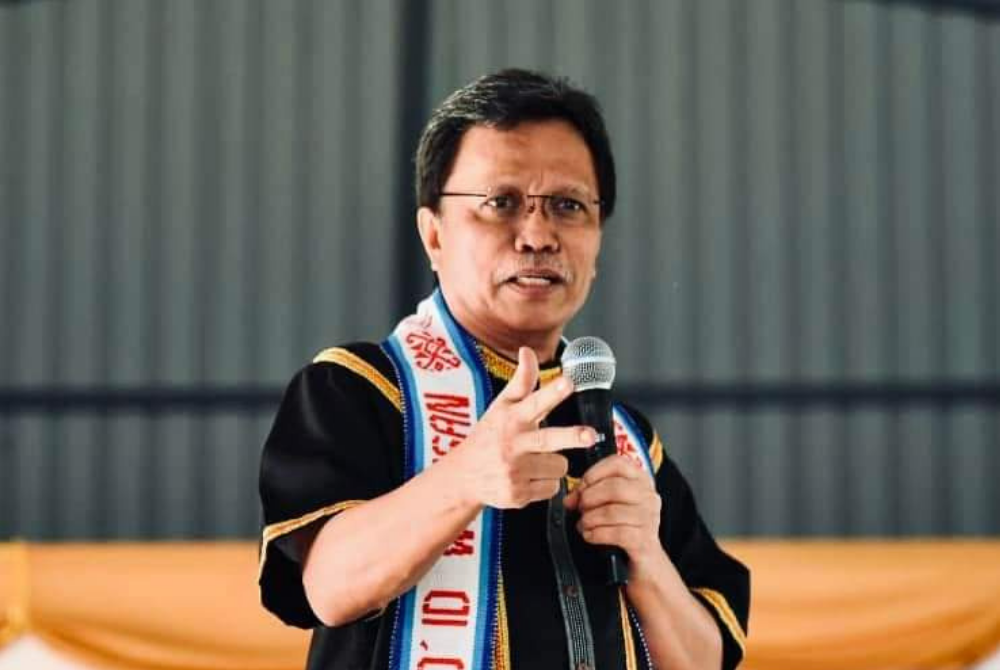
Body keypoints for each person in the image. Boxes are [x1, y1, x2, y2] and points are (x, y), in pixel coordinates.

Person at [258, 68, 749, 670]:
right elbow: (329, 590)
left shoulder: (625, 438)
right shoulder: (358, 387)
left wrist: (644, 555)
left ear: (597, 244)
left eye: (569, 206)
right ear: (433, 235)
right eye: (501, 203)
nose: (539, 235)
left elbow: (703, 661)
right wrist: (465, 478)